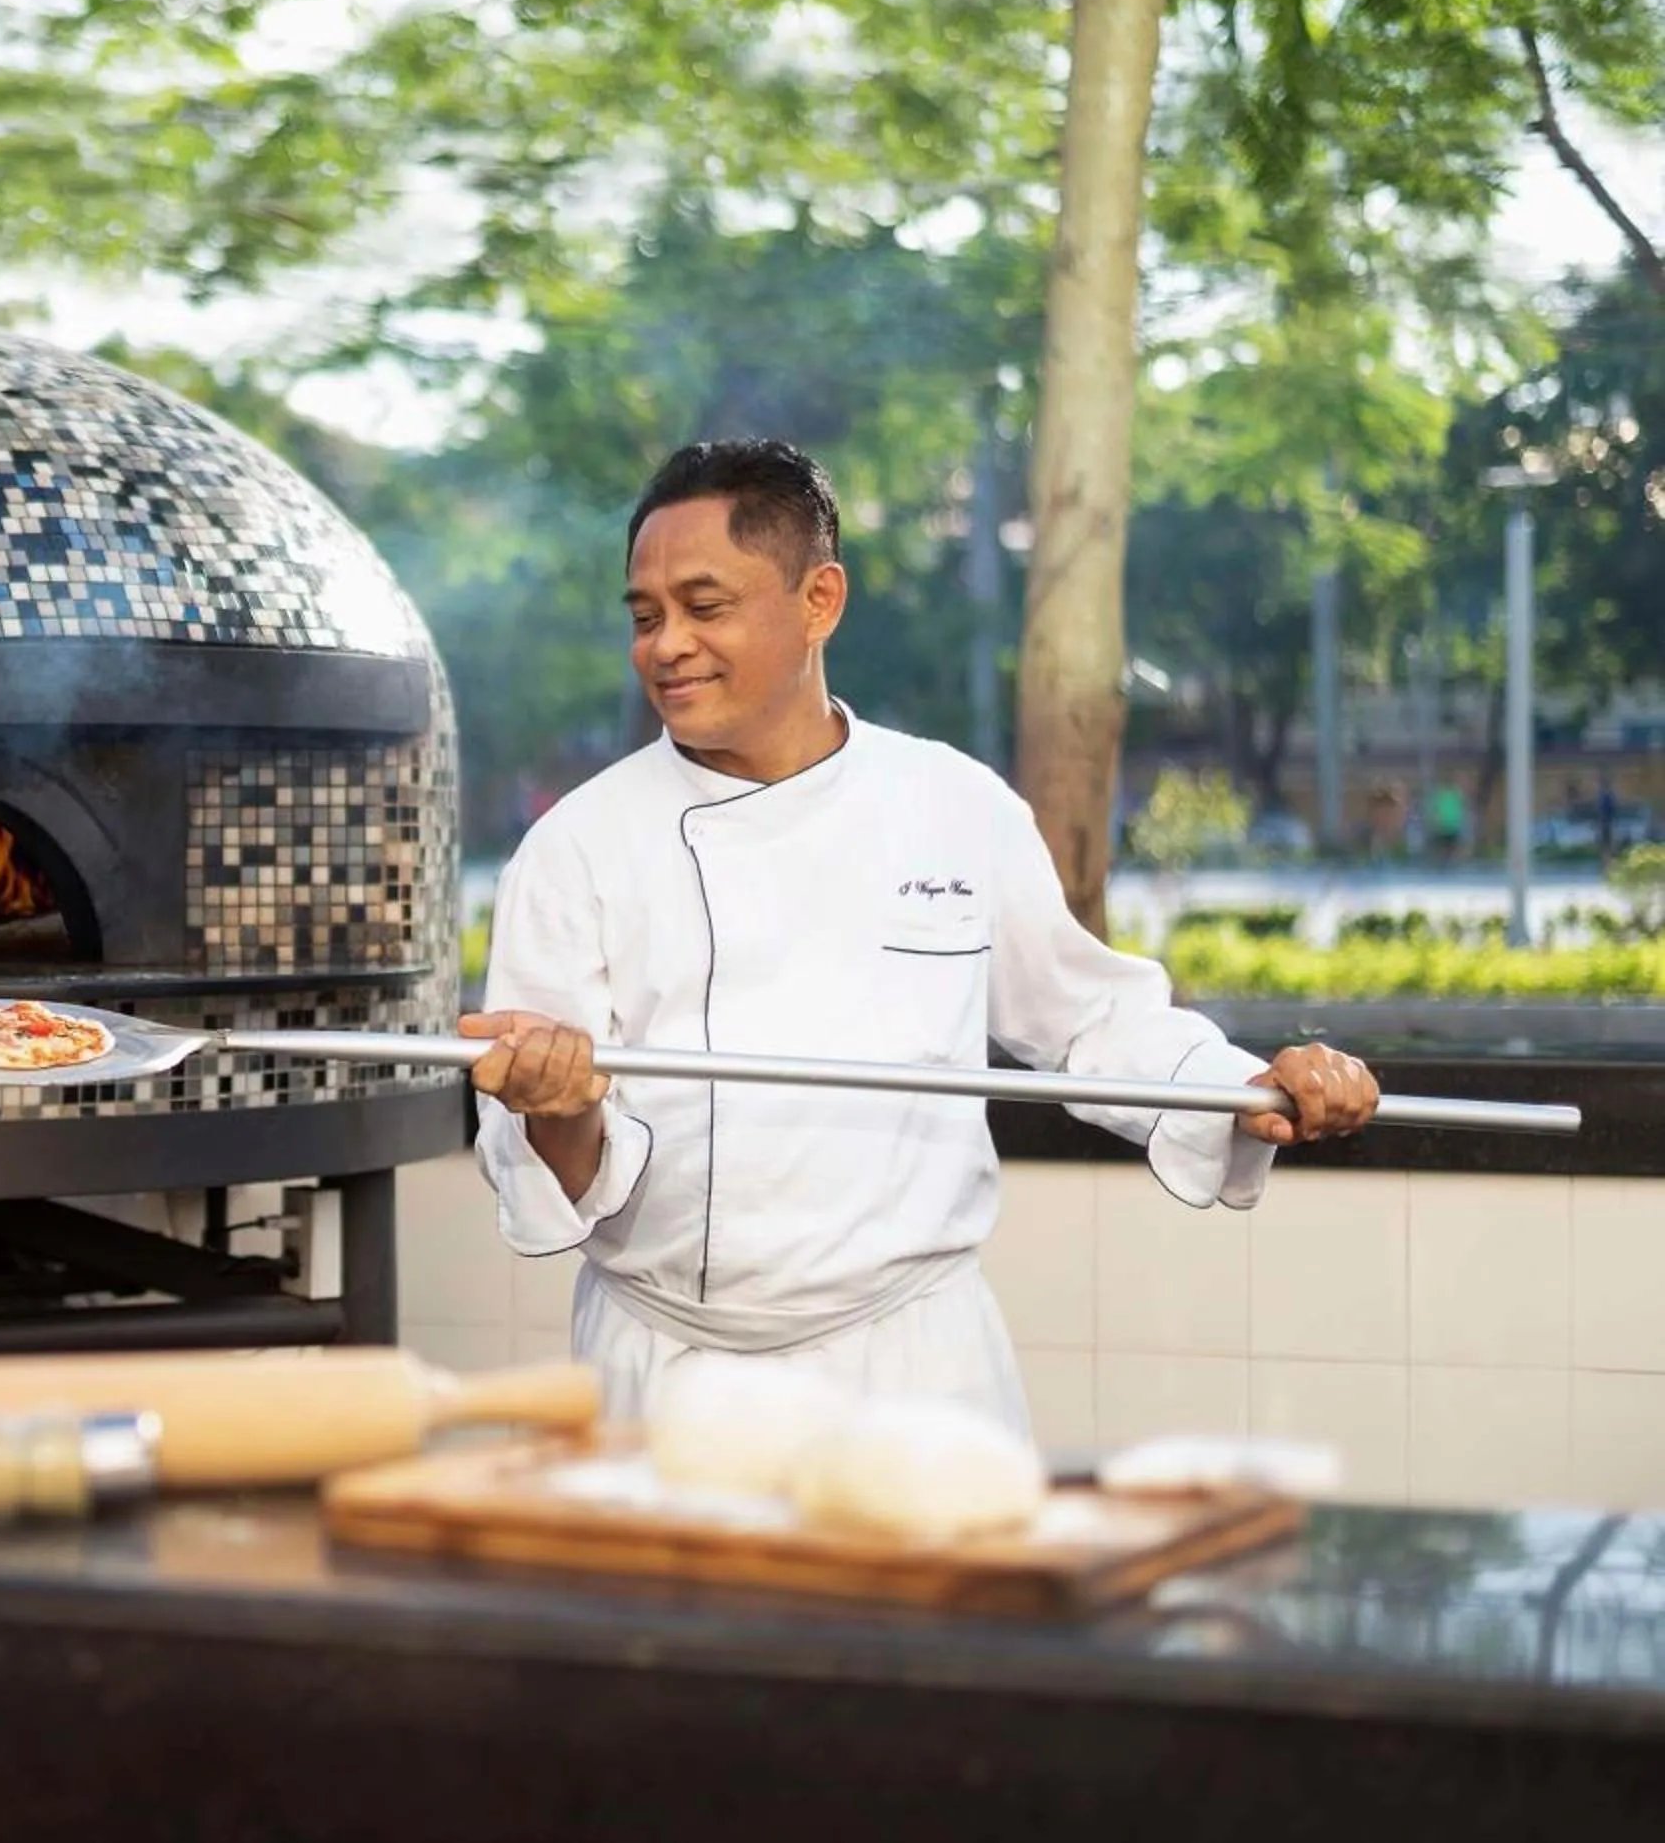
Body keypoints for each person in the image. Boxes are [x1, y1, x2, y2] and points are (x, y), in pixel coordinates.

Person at [457, 440, 1380, 1434]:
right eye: (645, 617)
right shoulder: (576, 849)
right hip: (666, 1370)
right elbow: (552, 1150)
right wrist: (557, 1107)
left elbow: (1093, 1019)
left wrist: (1243, 1091)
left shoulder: (953, 805)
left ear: (820, 601)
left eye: (704, 604)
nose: (665, 645)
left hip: (913, 1366)